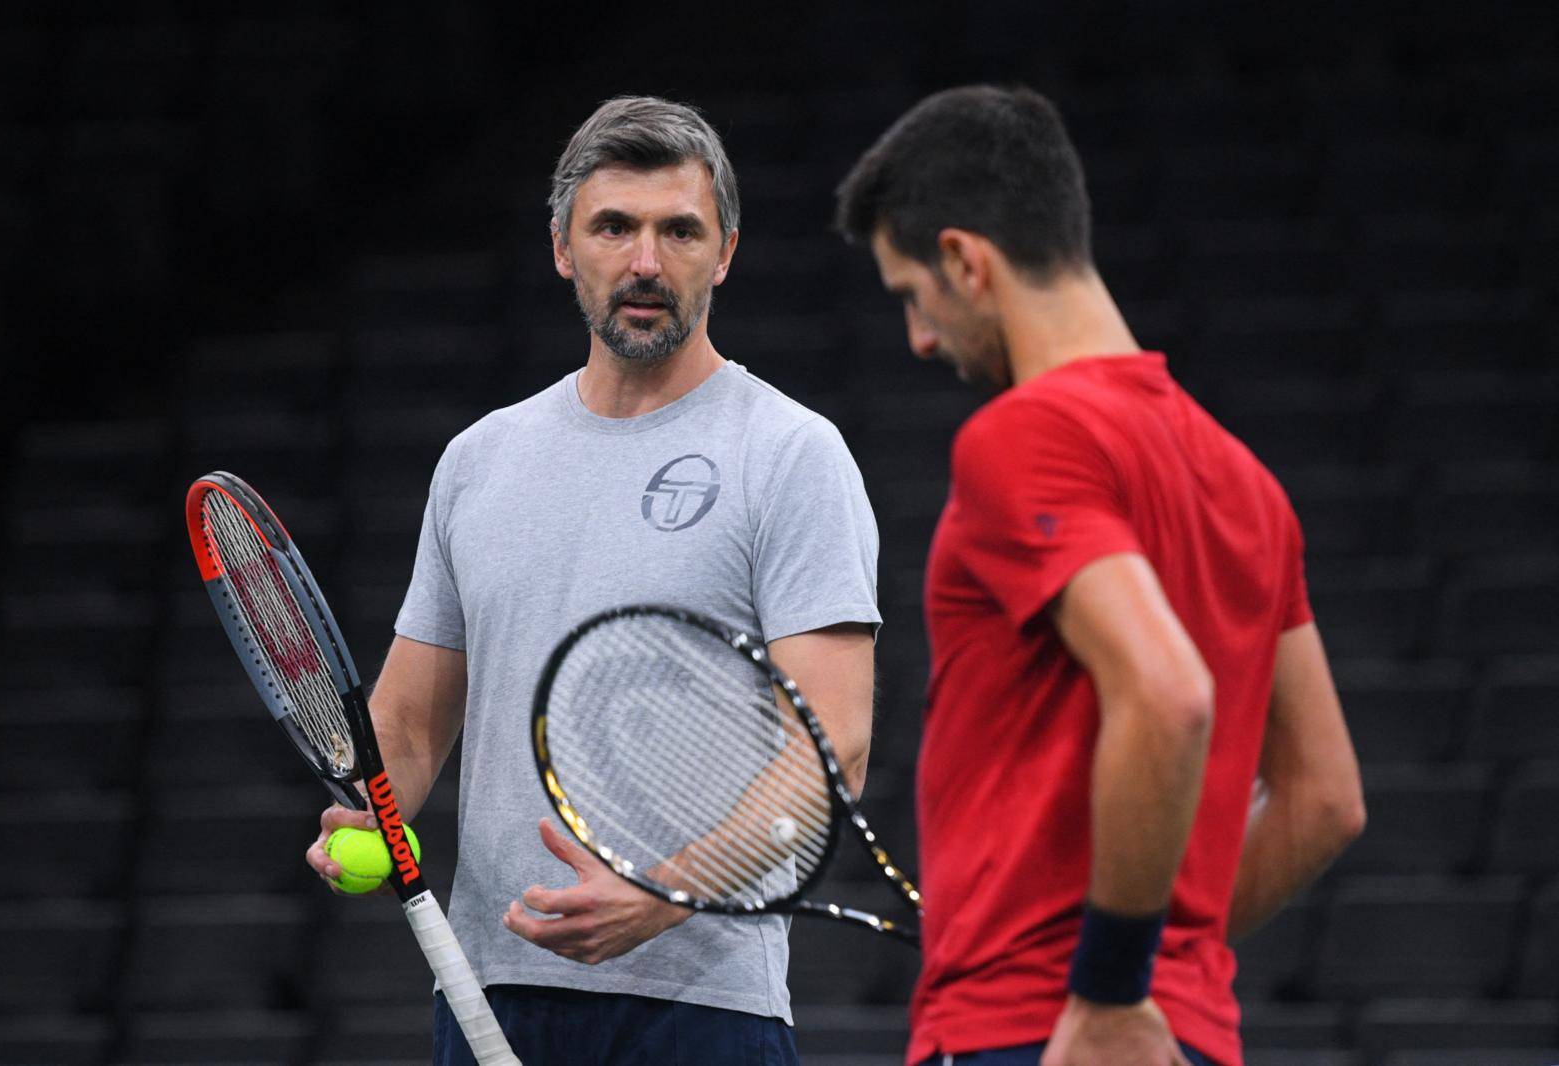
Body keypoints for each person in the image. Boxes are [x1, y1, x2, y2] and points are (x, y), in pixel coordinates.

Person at [306, 95, 881, 1065]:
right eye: (613, 227)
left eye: (679, 230)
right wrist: (372, 807)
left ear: (725, 251)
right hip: (488, 998)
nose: (645, 261)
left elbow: (835, 750)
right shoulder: (479, 461)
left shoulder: (789, 454)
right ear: (564, 248)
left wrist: (666, 894)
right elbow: (406, 726)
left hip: (703, 1007)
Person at [833, 85, 1366, 1066]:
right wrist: (1156, 965)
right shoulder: (1249, 483)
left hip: (1030, 1035)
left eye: (911, 293)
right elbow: (1323, 796)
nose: (916, 337)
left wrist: (1110, 986)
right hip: (1181, 1041)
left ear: (964, 259)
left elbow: (1166, 694)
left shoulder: (1021, 436)